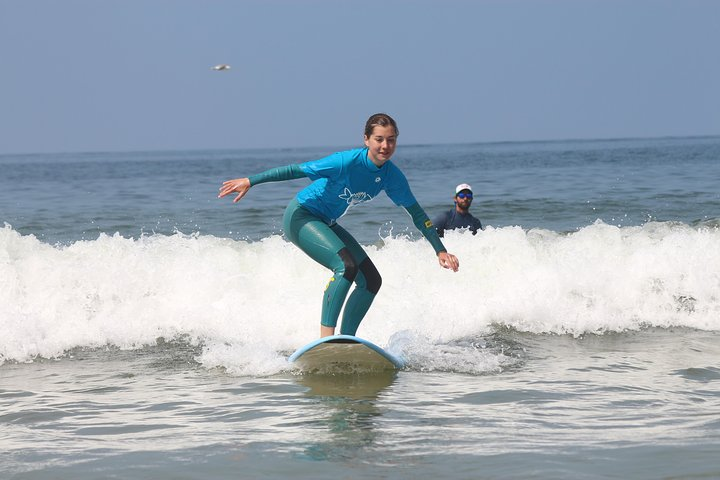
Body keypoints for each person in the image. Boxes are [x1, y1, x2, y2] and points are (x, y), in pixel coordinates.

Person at [218, 113, 459, 338]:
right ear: (366, 139)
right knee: (346, 266)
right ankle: (326, 341)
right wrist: (251, 181)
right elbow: (295, 170)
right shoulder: (344, 162)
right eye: (379, 139)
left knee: (371, 281)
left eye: (391, 140)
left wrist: (439, 249)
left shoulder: (392, 177)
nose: (385, 146)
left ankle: (346, 341)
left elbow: (417, 214)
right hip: (301, 216)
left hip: (326, 222)